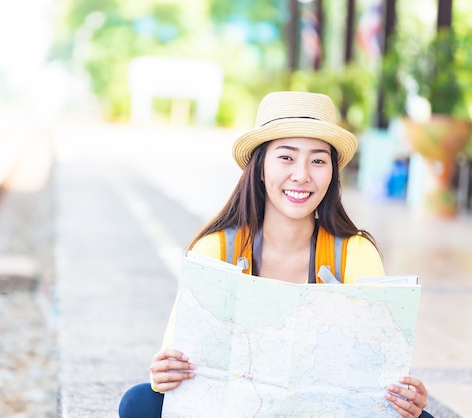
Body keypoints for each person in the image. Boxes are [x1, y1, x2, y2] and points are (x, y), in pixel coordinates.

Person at [119, 91, 432, 418]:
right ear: (259, 167)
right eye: (286, 157)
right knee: (139, 403)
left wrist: (405, 399)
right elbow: (176, 364)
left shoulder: (354, 253)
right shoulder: (217, 249)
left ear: (332, 174)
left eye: (318, 160)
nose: (302, 175)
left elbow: (375, 381)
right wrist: (164, 373)